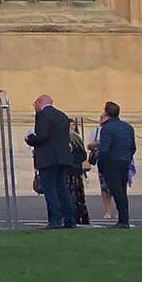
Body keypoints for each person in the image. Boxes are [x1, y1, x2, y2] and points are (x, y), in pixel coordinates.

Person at [25, 95, 77, 229]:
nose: (34, 107)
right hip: (63, 158)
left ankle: (55, 220)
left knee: (50, 190)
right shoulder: (62, 116)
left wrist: (30, 139)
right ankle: (70, 220)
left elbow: (42, 136)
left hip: (48, 158)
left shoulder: (42, 115)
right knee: (63, 189)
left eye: (35, 104)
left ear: (40, 102)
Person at [94, 102, 135, 228]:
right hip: (124, 161)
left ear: (106, 113)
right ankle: (124, 218)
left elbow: (104, 150)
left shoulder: (107, 128)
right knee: (122, 190)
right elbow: (133, 147)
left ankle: (123, 221)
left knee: (117, 191)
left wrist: (100, 164)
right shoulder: (128, 127)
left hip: (112, 163)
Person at [67, 122, 93, 227]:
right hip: (75, 170)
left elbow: (82, 155)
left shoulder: (69, 138)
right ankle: (81, 217)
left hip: (70, 171)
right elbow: (82, 155)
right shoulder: (75, 138)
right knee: (78, 196)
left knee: (71, 195)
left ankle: (73, 216)